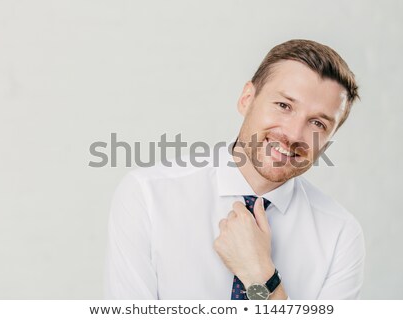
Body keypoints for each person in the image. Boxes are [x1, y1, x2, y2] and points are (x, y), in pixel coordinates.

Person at [104, 39, 365, 300]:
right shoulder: (148, 196)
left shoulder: (340, 236)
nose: (293, 134)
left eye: (317, 123)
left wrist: (261, 276)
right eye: (284, 106)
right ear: (246, 99)